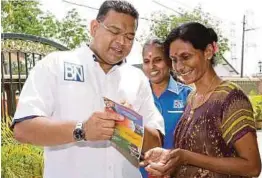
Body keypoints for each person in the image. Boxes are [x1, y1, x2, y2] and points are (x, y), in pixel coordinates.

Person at [12, 1, 164, 178]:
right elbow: (22, 129)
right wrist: (81, 130)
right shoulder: (55, 65)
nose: (121, 42)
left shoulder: (137, 78)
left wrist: (132, 126)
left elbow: (155, 144)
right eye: (114, 31)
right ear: (94, 27)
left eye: (129, 37)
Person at [140, 22, 262, 178]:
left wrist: (185, 157)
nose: (179, 67)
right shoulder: (192, 98)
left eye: (186, 57)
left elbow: (252, 167)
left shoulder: (231, 98)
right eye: (174, 59)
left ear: (208, 52)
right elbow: (197, 150)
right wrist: (168, 156)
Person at [140, 39, 192, 178]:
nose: (152, 66)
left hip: (176, 173)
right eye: (146, 61)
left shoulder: (188, 96)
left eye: (158, 60)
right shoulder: (135, 96)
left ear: (169, 62)